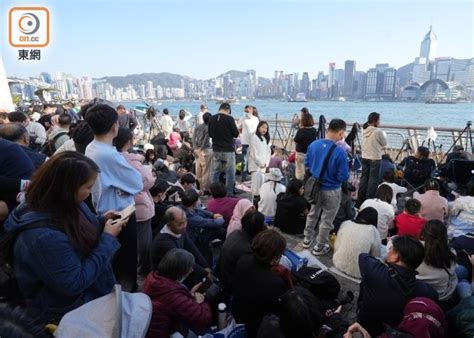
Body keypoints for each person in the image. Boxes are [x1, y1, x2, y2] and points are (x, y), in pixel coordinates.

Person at [4, 152, 127, 323]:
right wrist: (107, 239)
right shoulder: (43, 238)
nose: (91, 192)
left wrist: (101, 221)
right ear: (67, 188)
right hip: (70, 313)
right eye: (89, 187)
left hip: (88, 298)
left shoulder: (66, 203)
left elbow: (74, 229)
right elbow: (74, 283)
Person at [85, 104, 143, 291]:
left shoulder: (91, 147)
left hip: (103, 210)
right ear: (114, 126)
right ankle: (127, 297)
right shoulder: (109, 154)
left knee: (115, 261)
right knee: (126, 263)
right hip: (120, 213)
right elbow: (137, 184)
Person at [357, 236, 438, 336]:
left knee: (365, 282)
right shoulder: (426, 291)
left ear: (396, 256)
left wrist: (385, 261)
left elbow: (363, 256)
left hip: (365, 326)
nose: (388, 250)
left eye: (391, 248)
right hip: (393, 333)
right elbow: (435, 296)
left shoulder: (374, 271)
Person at [113, 127, 156, 285]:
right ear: (129, 142)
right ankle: (142, 271)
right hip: (139, 206)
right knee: (143, 242)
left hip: (119, 206)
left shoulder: (111, 157)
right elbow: (147, 181)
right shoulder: (132, 161)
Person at [303, 119, 350, 256]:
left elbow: (307, 165)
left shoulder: (313, 145)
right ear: (341, 133)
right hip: (332, 190)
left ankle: (307, 239)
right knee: (327, 219)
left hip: (315, 188)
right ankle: (320, 245)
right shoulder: (340, 152)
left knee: (313, 213)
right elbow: (343, 177)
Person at [231, 230, 289, 338]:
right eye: (280, 254)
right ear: (275, 257)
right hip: (255, 326)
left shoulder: (243, 259)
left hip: (237, 310)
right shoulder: (276, 283)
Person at [144, 248, 212, 338]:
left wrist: (189, 294)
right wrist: (200, 303)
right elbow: (203, 320)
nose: (191, 270)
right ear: (179, 272)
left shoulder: (154, 279)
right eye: (189, 268)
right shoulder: (173, 296)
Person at [150, 207, 210, 286]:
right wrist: (205, 273)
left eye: (185, 222)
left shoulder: (178, 230)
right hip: (166, 276)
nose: (184, 226)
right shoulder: (164, 243)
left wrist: (205, 266)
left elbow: (191, 247)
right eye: (180, 224)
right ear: (168, 223)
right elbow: (183, 261)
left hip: (180, 264)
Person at [215, 211, 266, 292]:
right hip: (229, 283)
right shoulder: (248, 250)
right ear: (259, 229)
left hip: (221, 273)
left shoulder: (235, 233)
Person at [333, 207, 381, 279]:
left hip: (338, 263)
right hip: (359, 272)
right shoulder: (374, 231)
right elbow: (376, 254)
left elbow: (336, 246)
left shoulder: (346, 223)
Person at [180, 189, 225, 265]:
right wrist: (221, 218)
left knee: (218, 230)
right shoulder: (193, 219)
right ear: (195, 202)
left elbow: (198, 210)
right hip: (194, 240)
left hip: (192, 234)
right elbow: (216, 223)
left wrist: (212, 215)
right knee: (207, 253)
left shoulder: (183, 207)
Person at [417, 220, 458, 303]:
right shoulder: (451, 252)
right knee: (462, 274)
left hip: (418, 295)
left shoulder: (414, 248)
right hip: (442, 297)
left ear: (423, 233)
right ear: (445, 236)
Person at [208, 103, 239, 196]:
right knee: (230, 173)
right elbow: (236, 134)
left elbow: (210, 134)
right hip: (228, 150)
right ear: (228, 109)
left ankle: (215, 193)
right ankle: (229, 193)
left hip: (216, 149)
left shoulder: (212, 118)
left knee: (215, 172)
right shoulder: (230, 119)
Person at [357, 112, 387, 204]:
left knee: (364, 178)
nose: (379, 122)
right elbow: (384, 143)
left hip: (364, 156)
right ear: (375, 121)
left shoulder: (364, 130)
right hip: (375, 157)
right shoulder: (378, 131)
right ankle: (369, 200)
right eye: (379, 120)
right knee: (373, 180)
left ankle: (360, 198)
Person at [248, 120, 271, 201]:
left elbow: (268, 152)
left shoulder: (265, 139)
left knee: (261, 188)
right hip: (256, 167)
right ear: (258, 128)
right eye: (263, 127)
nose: (264, 129)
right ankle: (253, 204)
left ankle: (259, 205)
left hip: (263, 167)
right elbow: (254, 153)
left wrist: (266, 163)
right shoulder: (254, 137)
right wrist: (261, 163)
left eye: (266, 128)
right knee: (255, 188)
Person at [293, 109, 317, 180]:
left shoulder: (301, 130)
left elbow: (296, 139)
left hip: (300, 153)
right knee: (308, 171)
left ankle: (300, 186)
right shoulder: (314, 130)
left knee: (299, 173)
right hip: (310, 153)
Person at [193, 112, 212, 193]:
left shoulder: (197, 127)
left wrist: (195, 148)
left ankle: (200, 187)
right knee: (206, 171)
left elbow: (193, 138)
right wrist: (201, 149)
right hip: (205, 150)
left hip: (196, 150)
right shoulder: (208, 128)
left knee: (198, 169)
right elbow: (205, 140)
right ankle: (205, 189)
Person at [239, 105, 259, 181]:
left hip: (254, 141)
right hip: (246, 142)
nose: (247, 112)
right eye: (246, 110)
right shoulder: (242, 118)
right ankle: (243, 177)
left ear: (252, 110)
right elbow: (239, 127)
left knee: (253, 159)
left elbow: (258, 130)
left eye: (248, 110)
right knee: (245, 160)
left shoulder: (256, 119)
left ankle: (252, 175)